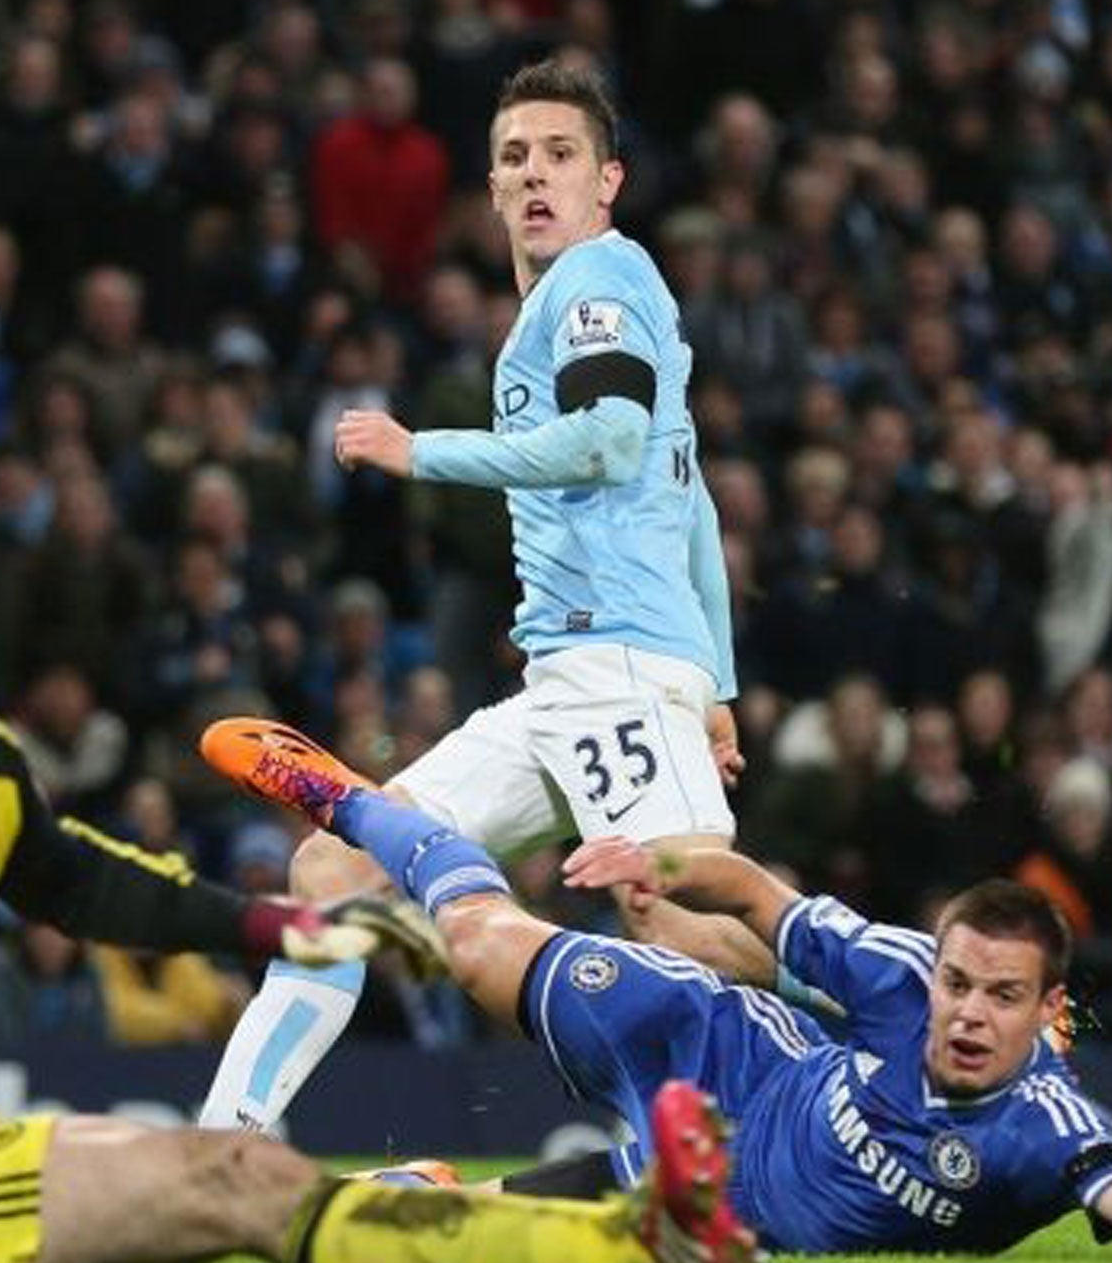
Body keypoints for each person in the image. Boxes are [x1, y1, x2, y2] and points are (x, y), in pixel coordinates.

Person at [0, 600, 751, 1263]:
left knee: (232, 1180)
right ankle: (637, 1235)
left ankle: (638, 1231)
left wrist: (269, 923)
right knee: (243, 1189)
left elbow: (75, 879)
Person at [201, 715, 1112, 1263]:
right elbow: (754, 895)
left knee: (457, 1236)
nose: (962, 1010)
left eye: (997, 996)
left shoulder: (1042, 1127)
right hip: (714, 1051)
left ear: (1043, 1007)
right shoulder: (895, 976)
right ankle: (344, 797)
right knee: (482, 945)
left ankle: (389, 1186)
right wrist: (652, 867)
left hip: (695, 1189)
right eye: (956, 980)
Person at [201, 60, 756, 1134]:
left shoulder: (596, 281)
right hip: (576, 677)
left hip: (617, 666)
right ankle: (221, 1151)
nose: (535, 174)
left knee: (684, 922)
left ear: (608, 183)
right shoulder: (566, 304)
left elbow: (608, 441)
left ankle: (917, 1019)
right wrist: (718, 682)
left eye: (560, 155)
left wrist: (422, 451)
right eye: (514, 158)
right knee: (337, 865)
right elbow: (690, 507)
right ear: (491, 191)